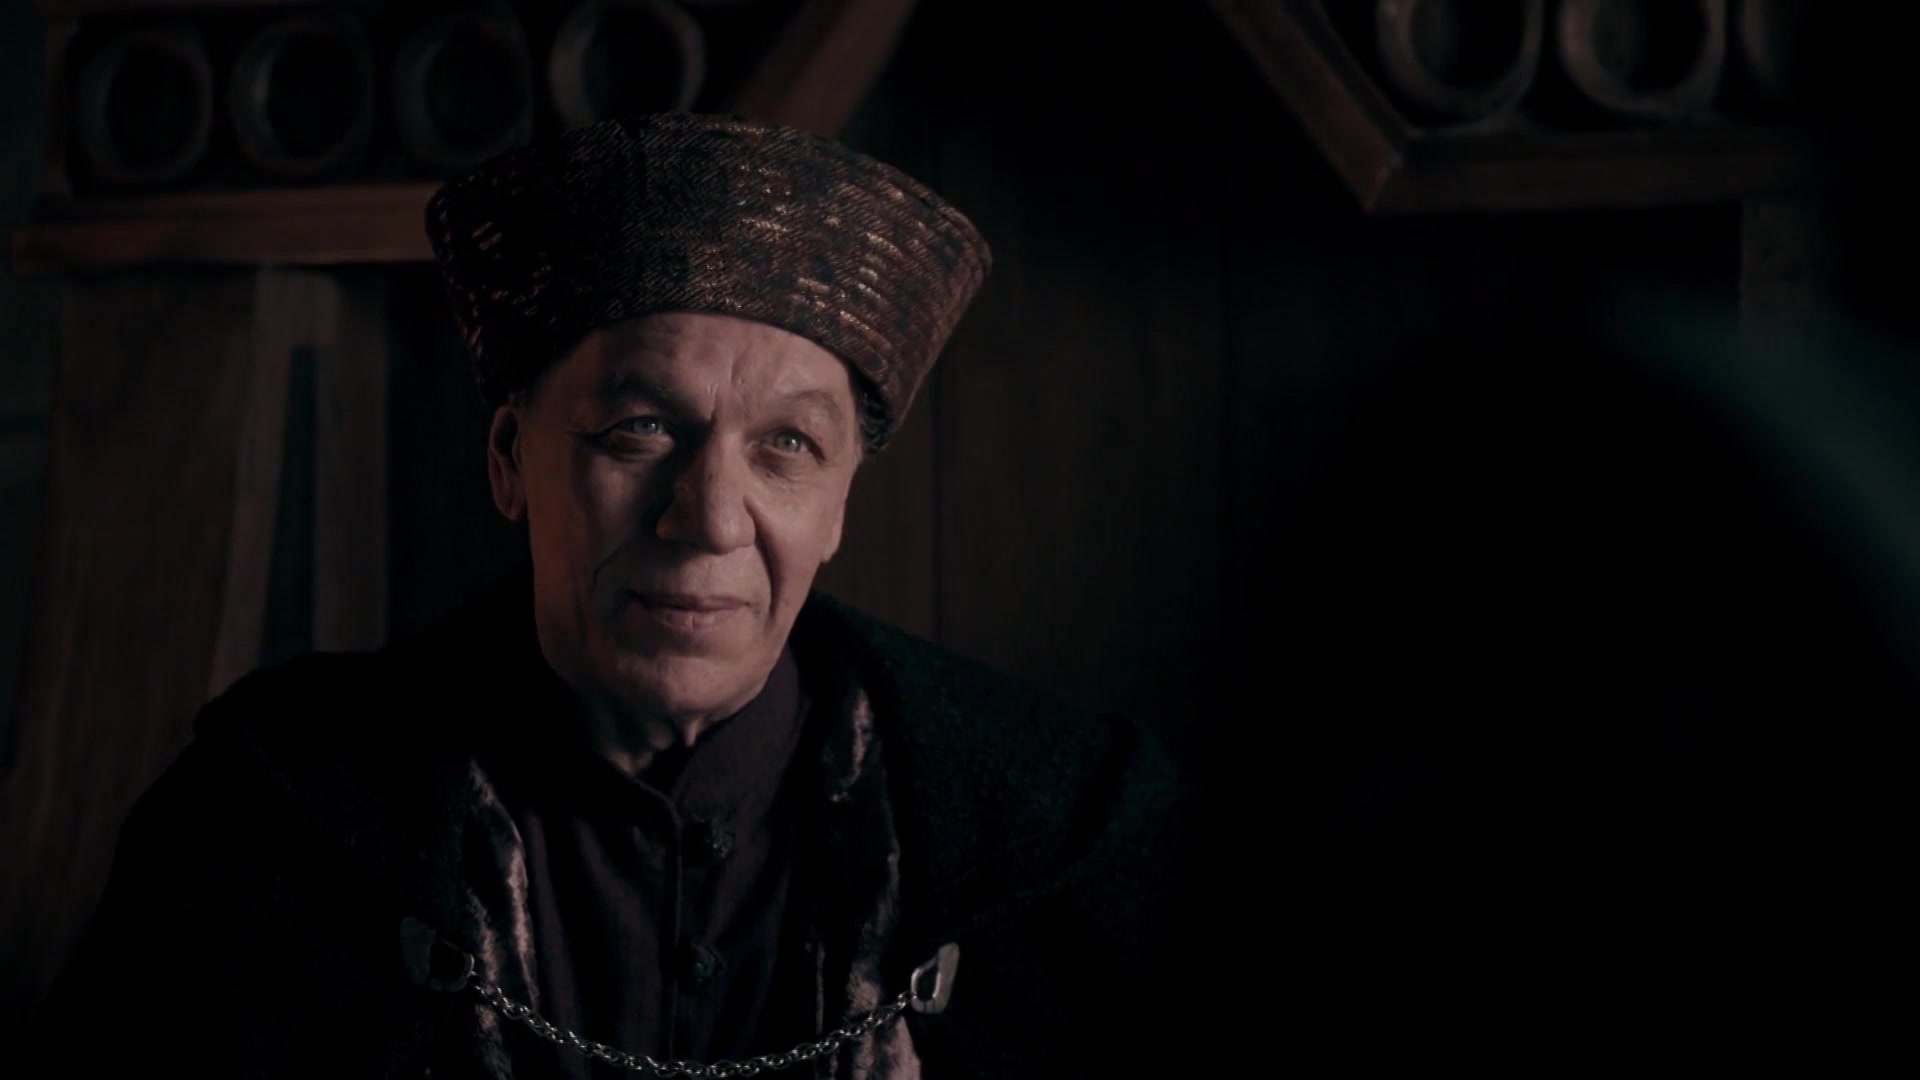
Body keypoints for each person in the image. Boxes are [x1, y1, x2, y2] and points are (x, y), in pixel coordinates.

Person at [30, 114, 1191, 1078]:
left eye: (787, 446)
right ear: (508, 459)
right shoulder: (270, 826)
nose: (710, 517)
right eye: (639, 429)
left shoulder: (1063, 844)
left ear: (839, 504)